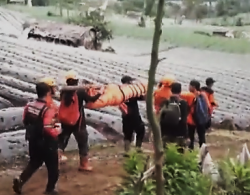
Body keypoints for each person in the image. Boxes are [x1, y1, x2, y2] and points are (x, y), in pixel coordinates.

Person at [13, 82, 61, 195]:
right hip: (47, 142)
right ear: (48, 92)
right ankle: (50, 190)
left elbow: (25, 120)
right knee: (53, 167)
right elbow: (48, 128)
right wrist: (57, 132)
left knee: (34, 163)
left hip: (33, 140)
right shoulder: (47, 109)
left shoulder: (29, 105)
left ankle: (20, 181)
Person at [57, 70, 103, 171]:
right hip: (78, 122)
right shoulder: (80, 91)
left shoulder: (63, 91)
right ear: (76, 81)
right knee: (83, 142)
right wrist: (99, 93)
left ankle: (57, 157)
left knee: (62, 139)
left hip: (65, 120)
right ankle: (84, 165)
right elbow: (91, 100)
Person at [181, 80, 211, 150]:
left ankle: (191, 151)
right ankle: (203, 151)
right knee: (202, 137)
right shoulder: (203, 94)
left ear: (193, 87)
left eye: (190, 86)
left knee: (191, 137)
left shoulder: (190, 95)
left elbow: (177, 94)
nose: (189, 87)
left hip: (192, 120)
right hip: (202, 120)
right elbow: (209, 107)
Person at [119, 76, 145, 154]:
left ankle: (127, 151)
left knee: (127, 132)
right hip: (134, 114)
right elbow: (143, 97)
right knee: (141, 130)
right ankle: (138, 148)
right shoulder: (131, 91)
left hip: (125, 115)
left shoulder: (120, 91)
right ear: (129, 82)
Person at [159, 82, 188, 153]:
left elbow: (161, 117)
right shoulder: (183, 103)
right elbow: (184, 119)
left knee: (166, 151)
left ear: (171, 90)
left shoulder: (165, 102)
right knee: (179, 153)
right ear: (180, 91)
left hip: (166, 132)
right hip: (179, 132)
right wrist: (186, 134)